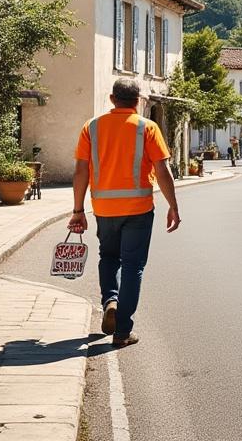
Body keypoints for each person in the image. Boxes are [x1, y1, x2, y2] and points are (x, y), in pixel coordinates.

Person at [68, 78, 181, 348]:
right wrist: (173, 206)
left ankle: (111, 300)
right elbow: (163, 171)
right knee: (133, 266)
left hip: (104, 208)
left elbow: (81, 171)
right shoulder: (148, 128)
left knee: (108, 257)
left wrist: (78, 209)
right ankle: (122, 331)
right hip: (139, 209)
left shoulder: (92, 128)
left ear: (111, 98)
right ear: (139, 100)